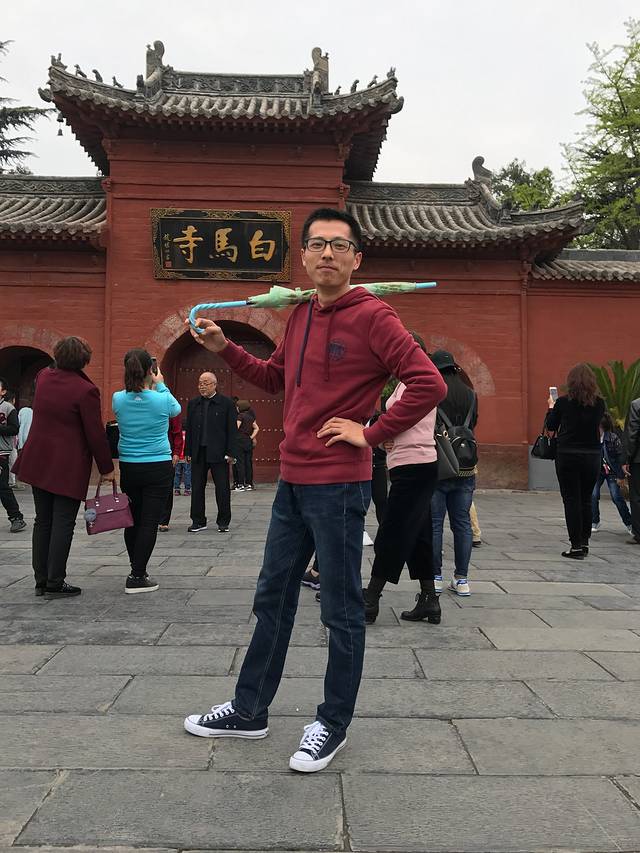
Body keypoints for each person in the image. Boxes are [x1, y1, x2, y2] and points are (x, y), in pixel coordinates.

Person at [183, 206, 446, 773]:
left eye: (339, 245)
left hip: (340, 486)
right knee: (272, 597)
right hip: (292, 482)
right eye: (318, 244)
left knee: (340, 608)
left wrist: (370, 434)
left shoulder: (375, 316)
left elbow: (429, 383)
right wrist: (224, 348)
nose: (328, 253)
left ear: (357, 258)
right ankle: (250, 709)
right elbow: (276, 378)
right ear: (303, 255)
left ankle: (332, 722)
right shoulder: (299, 314)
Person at [12, 337, 114, 595]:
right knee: (63, 522)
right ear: (84, 360)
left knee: (42, 520)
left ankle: (41, 579)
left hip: (38, 459)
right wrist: (106, 467)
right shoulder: (85, 390)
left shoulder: (43, 376)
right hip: (67, 464)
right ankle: (55, 580)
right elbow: (95, 433)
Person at [363, 332, 440, 625]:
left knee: (392, 530)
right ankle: (429, 599)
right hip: (411, 463)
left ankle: (371, 597)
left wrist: (379, 433)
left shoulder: (418, 382)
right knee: (419, 532)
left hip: (414, 465)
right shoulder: (408, 381)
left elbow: (402, 419)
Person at [112, 349, 181, 592]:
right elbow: (176, 410)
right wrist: (160, 384)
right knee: (149, 522)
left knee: (132, 519)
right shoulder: (162, 399)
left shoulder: (118, 398)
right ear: (150, 371)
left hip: (129, 466)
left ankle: (136, 567)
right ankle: (137, 575)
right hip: (157, 465)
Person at [430, 350, 478, 596]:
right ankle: (462, 579)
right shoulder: (471, 394)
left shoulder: (435, 391)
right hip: (466, 466)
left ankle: (435, 577)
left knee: (435, 524)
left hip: (440, 465)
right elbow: (474, 423)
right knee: (462, 524)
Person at [545, 363, 605, 559]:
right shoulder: (599, 404)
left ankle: (576, 546)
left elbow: (551, 426)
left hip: (567, 455)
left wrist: (551, 407)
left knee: (571, 500)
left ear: (571, 382)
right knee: (586, 499)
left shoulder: (563, 402)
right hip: (592, 456)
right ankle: (585, 542)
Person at [185, 372, 237, 533]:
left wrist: (231, 453)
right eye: (200, 383)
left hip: (219, 452)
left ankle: (223, 521)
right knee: (197, 488)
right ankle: (198, 520)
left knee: (222, 488)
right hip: (198, 452)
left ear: (214, 385)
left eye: (206, 383)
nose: (202, 386)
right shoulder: (193, 404)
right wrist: (188, 451)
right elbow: (189, 429)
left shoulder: (226, 403)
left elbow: (232, 430)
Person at [591, 412, 632, 534]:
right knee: (593, 494)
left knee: (616, 497)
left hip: (612, 471)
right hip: (598, 471)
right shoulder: (592, 438)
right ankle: (594, 521)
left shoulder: (613, 438)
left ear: (602, 427)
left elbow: (619, 458)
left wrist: (620, 476)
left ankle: (629, 523)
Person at [0, 378, 26, 533]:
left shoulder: (8, 408)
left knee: (2, 487)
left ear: (3, 391)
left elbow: (14, 429)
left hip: (1, 453)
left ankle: (16, 517)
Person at [158, 413, 185, 532]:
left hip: (166, 452)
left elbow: (177, 432)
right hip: (146, 452)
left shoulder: (170, 407)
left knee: (167, 487)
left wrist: (176, 452)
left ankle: (163, 520)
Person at [623, 394, 640, 544]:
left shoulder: (636, 405)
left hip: (638, 460)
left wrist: (626, 458)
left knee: (637, 496)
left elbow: (632, 434)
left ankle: (638, 533)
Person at [235, 399, 259, 490]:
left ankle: (241, 484)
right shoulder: (250, 417)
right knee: (248, 463)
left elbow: (236, 428)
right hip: (247, 441)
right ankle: (249, 484)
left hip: (239, 441)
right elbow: (257, 428)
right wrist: (251, 437)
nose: (236, 408)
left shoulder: (240, 416)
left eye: (237, 406)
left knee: (240, 463)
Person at [174, 422, 191, 496]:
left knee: (177, 474)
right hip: (186, 458)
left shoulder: (178, 435)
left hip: (178, 457)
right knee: (187, 474)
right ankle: (187, 489)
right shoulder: (188, 436)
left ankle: (177, 489)